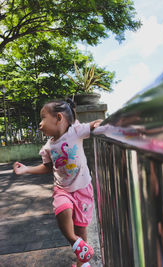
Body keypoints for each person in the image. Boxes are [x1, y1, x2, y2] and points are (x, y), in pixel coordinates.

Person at [13, 99, 102, 267]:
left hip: (82, 189)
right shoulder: (48, 147)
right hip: (62, 189)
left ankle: (82, 262)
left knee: (81, 227)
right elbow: (47, 167)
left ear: (58, 117)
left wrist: (101, 124)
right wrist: (26, 170)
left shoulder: (75, 131)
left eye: (43, 118)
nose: (39, 124)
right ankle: (73, 241)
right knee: (62, 209)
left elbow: (94, 124)